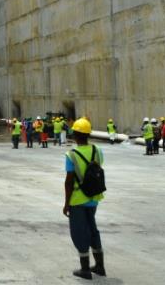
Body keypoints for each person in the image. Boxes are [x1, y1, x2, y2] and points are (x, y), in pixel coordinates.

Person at [62, 118, 106, 279]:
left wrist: (66, 204)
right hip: (94, 198)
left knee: (80, 232)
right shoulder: (97, 150)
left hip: (78, 200)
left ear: (75, 134)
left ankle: (85, 269)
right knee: (92, 229)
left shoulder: (71, 155)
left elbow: (68, 182)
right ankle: (100, 266)